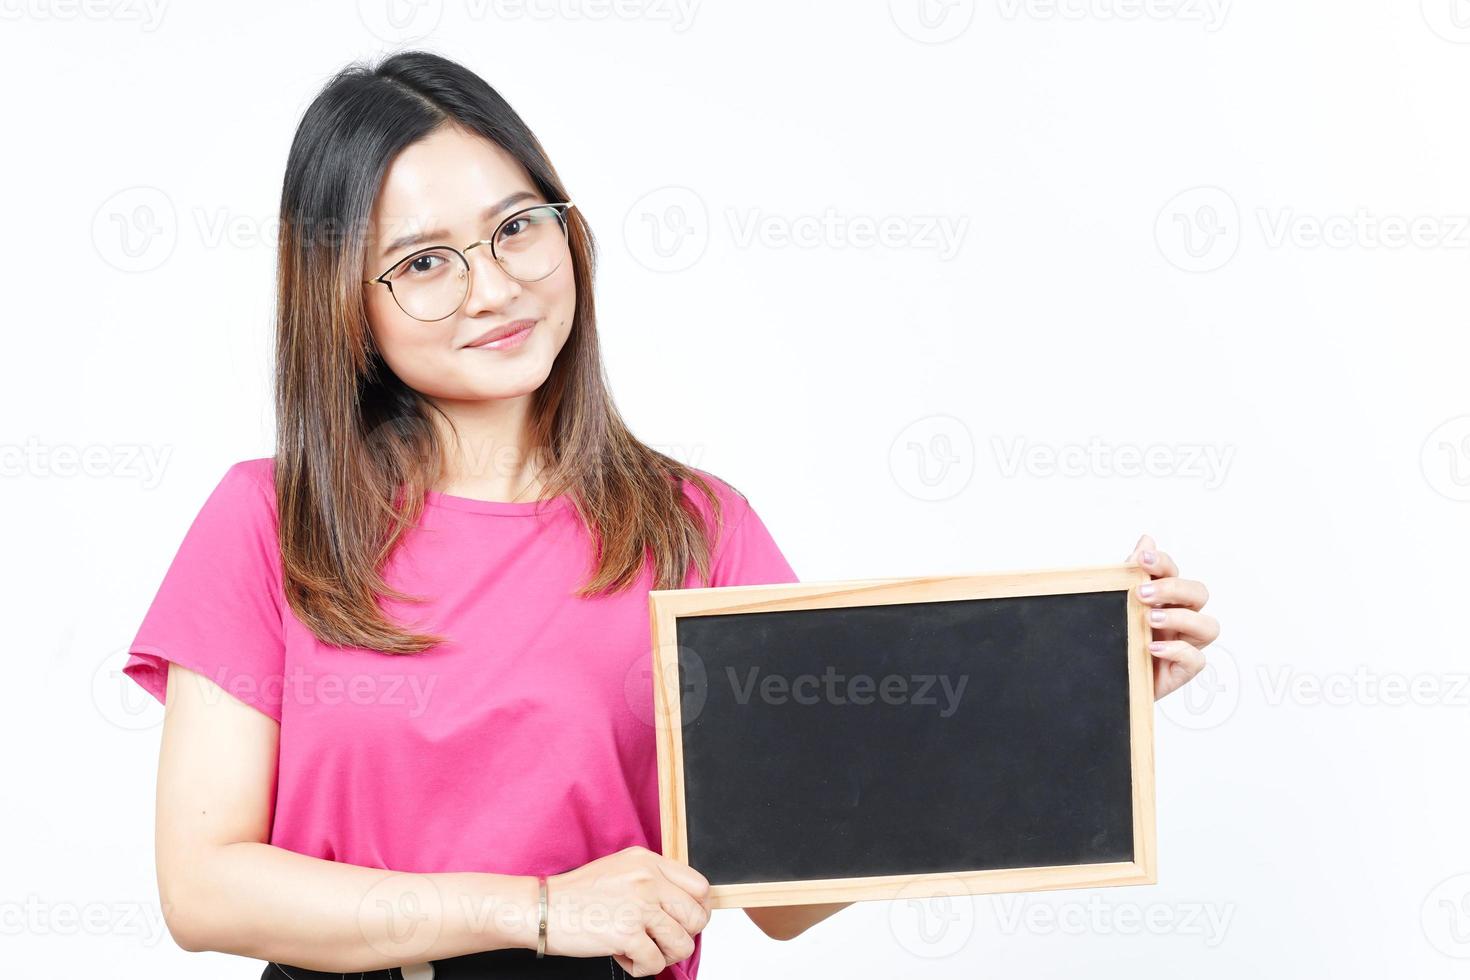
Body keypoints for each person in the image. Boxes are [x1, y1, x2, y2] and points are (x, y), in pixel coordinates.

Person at [121, 50, 1220, 980]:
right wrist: (537, 907)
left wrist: (1075, 690)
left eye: (515, 227)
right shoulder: (272, 520)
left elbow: (792, 883)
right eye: (422, 263)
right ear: (345, 307)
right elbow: (204, 885)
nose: (493, 287)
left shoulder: (697, 530)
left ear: (567, 230)